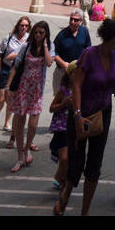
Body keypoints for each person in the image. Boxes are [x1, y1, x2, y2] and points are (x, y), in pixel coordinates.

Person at [64, 18, 115, 216]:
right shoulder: (89, 54)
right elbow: (76, 84)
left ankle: (85, 211)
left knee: (95, 164)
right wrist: (77, 115)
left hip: (103, 113)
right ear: (113, 38)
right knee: (76, 160)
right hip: (81, 112)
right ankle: (67, 190)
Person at [9, 22, 53, 172]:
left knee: (33, 125)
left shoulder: (49, 47)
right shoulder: (26, 47)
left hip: (36, 91)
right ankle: (20, 156)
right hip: (23, 87)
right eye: (36, 32)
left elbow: (48, 63)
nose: (38, 35)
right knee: (20, 122)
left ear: (46, 34)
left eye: (41, 33)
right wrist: (10, 87)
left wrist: (46, 46)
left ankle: (28, 146)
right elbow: (16, 66)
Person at [0, 16, 30, 133]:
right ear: (18, 25)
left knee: (11, 99)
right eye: (22, 25)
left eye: (26, 26)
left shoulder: (29, 40)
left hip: (18, 71)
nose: (24, 28)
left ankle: (7, 122)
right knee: (1, 98)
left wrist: (16, 56)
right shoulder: (9, 38)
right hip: (6, 69)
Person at [48, 68, 73, 215]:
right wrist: (64, 103)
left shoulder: (82, 89)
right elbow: (52, 108)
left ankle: (62, 180)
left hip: (75, 127)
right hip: (62, 128)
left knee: (69, 159)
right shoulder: (63, 90)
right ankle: (60, 178)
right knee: (64, 158)